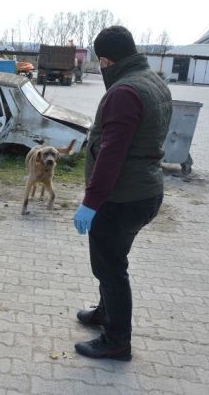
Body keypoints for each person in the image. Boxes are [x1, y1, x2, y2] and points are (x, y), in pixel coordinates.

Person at [72, 26, 172, 360]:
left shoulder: (124, 92)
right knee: (114, 259)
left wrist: (91, 202)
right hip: (145, 191)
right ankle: (105, 312)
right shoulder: (153, 80)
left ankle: (117, 341)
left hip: (121, 198)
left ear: (105, 59)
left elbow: (112, 155)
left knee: (110, 268)